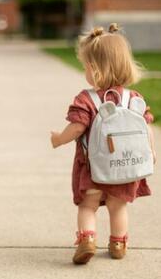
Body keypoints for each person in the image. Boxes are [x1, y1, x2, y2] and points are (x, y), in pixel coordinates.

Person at [50, 23, 156, 264]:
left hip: (94, 170)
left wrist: (58, 139)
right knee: (118, 207)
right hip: (125, 167)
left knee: (88, 206)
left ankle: (87, 239)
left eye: (85, 66)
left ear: (94, 69)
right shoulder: (134, 98)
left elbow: (77, 127)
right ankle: (118, 243)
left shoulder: (86, 99)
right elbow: (145, 128)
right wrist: (151, 151)